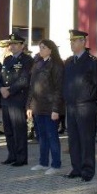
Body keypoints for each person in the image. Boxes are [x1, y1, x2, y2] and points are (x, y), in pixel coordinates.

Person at [62, 29, 97, 182]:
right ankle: (76, 168)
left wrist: (91, 100)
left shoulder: (93, 62)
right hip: (71, 106)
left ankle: (87, 170)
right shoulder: (69, 62)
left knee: (86, 139)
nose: (71, 43)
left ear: (82, 42)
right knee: (73, 139)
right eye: (71, 41)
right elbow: (64, 83)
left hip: (86, 106)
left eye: (74, 41)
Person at [27, 39, 64, 175]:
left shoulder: (56, 65)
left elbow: (58, 89)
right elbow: (32, 87)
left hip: (50, 107)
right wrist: (29, 106)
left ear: (50, 49)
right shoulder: (37, 63)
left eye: (43, 47)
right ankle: (43, 162)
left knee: (51, 136)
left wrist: (56, 109)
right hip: (37, 106)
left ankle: (56, 164)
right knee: (41, 136)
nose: (40, 50)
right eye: (40, 47)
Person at [0, 33, 33, 167]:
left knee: (18, 130)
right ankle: (11, 155)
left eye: (15, 44)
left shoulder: (27, 60)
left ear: (22, 45)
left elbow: (24, 80)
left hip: (17, 99)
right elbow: (0, 77)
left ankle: (21, 158)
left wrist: (9, 90)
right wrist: (1, 88)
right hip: (6, 100)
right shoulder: (7, 60)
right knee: (8, 130)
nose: (11, 46)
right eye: (10, 44)